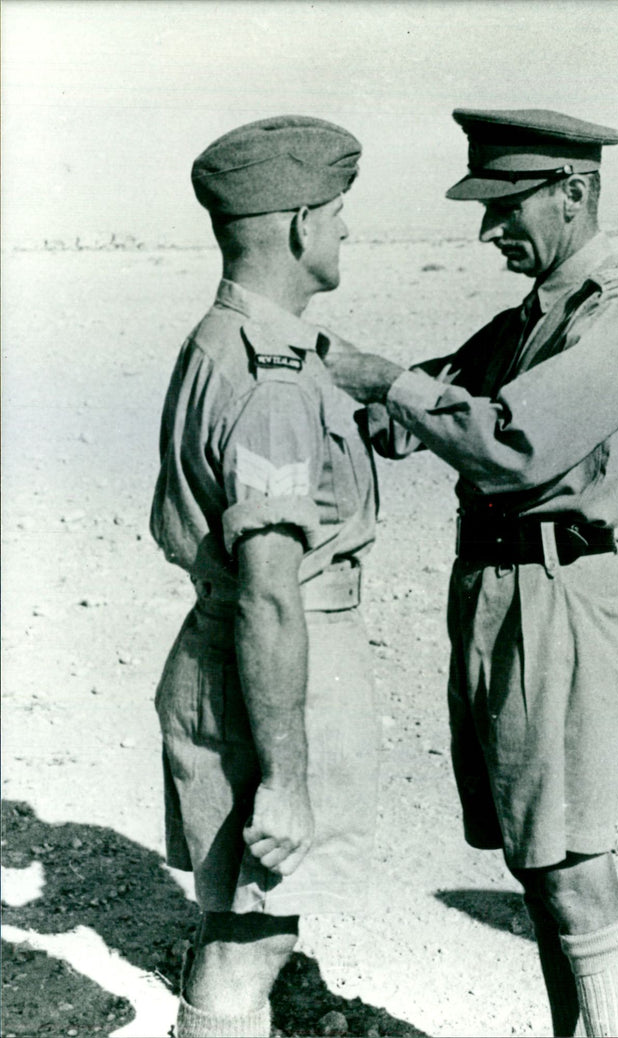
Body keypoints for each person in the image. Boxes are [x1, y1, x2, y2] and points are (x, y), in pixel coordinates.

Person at [325, 107, 618, 1037]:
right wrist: (322, 384)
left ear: (574, 193)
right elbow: (419, 411)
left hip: (554, 595)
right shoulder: (531, 319)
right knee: (537, 858)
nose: (490, 231)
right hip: (498, 594)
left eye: (508, 206)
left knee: (569, 866)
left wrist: (383, 379)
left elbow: (509, 446)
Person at [150, 115, 380, 1038]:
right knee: (254, 935)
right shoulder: (273, 382)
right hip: (273, 677)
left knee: (240, 919)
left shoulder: (223, 340)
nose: (344, 232)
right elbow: (272, 593)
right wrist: (285, 779)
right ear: (298, 226)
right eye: (337, 213)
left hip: (230, 661)